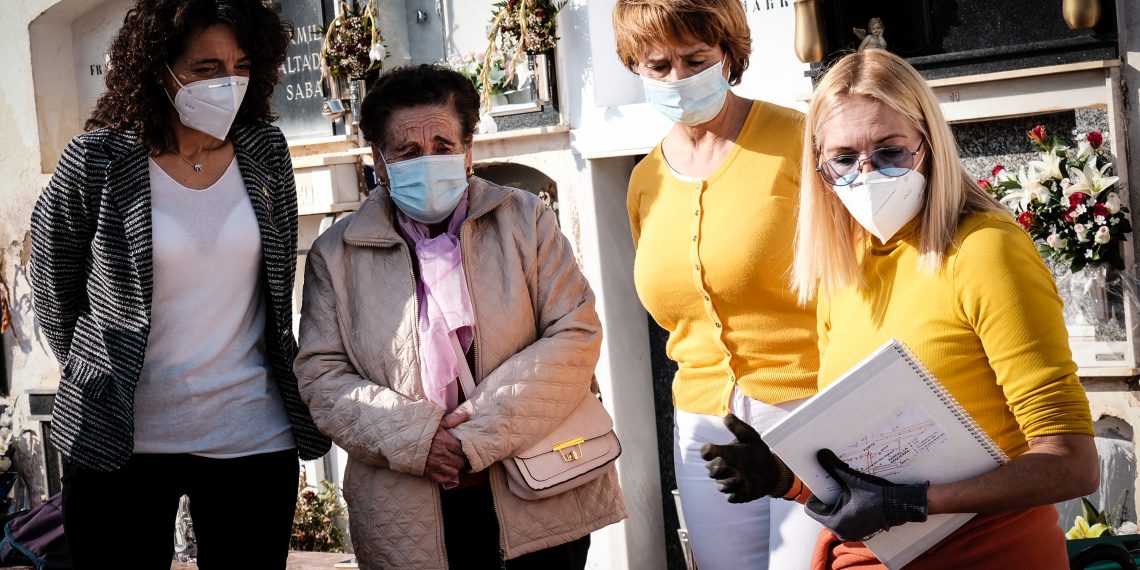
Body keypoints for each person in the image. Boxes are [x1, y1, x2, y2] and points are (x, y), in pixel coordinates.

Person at [704, 48, 1098, 569]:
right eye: (844, 159)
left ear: (929, 147)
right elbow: (866, 473)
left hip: (987, 552)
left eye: (890, 152)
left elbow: (1071, 464)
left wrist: (912, 503)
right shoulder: (842, 265)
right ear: (819, 168)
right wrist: (787, 479)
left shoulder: (984, 250)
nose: (866, 174)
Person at [28, 1, 332, 568]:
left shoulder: (265, 152)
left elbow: (277, 280)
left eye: (241, 65)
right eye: (205, 68)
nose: (228, 82)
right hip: (120, 439)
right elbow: (52, 282)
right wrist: (97, 371)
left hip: (252, 434)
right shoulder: (98, 159)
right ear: (157, 69)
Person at [294, 64, 627, 570]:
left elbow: (575, 333)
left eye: (443, 145)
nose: (428, 161)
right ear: (379, 162)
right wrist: (417, 440)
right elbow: (322, 376)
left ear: (467, 152)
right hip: (406, 516)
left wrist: (471, 436)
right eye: (408, 152)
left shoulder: (526, 220)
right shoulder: (335, 254)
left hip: (539, 494)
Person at [612, 1, 823, 568]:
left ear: (728, 54)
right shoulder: (645, 180)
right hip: (702, 423)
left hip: (810, 405)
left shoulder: (799, 139)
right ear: (635, 67)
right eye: (658, 66)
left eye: (695, 60)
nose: (677, 78)